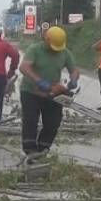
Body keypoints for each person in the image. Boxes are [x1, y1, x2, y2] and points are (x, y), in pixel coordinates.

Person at [18, 26, 79, 160]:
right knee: (30, 120)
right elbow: (24, 67)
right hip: (30, 91)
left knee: (53, 122)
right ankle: (30, 151)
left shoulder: (65, 52)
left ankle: (43, 148)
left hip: (52, 92)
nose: (54, 49)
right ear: (46, 38)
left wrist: (74, 79)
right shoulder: (35, 49)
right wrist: (39, 81)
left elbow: (74, 69)